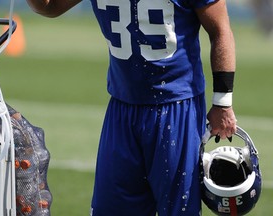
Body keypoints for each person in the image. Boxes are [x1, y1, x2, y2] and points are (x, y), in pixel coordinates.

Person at [26, 0, 237, 215]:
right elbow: (49, 6)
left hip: (176, 109)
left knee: (179, 211)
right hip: (122, 108)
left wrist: (222, 102)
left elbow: (220, 29)